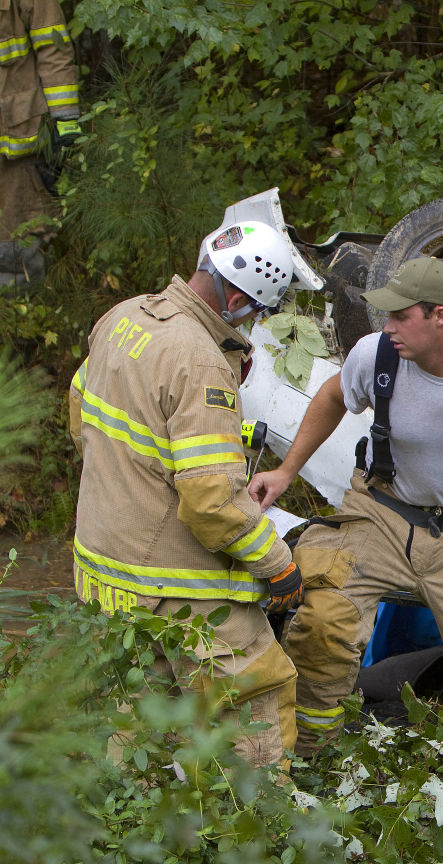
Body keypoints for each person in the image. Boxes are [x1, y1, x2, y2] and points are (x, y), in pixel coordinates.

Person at [248, 256, 443, 756]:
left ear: (440, 316)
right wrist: (285, 472)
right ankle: (307, 756)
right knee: (324, 627)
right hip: (380, 515)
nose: (387, 328)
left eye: (399, 316)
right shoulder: (376, 357)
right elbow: (331, 396)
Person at [69, 219, 306, 769]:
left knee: (139, 716)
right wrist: (277, 565)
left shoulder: (125, 316)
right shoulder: (199, 359)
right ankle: (255, 829)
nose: (255, 323)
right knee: (252, 702)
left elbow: (81, 418)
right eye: (259, 312)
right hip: (180, 585)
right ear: (243, 298)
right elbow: (211, 501)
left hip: (107, 567)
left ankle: (128, 827)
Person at [1, 0, 80, 285]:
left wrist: (65, 121)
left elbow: (53, 49)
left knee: (15, 249)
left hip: (16, 147)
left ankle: (20, 322)